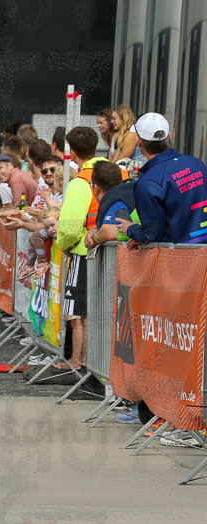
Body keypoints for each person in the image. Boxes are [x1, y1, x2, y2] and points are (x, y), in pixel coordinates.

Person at [55, 126, 111, 372]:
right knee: (96, 312)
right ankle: (91, 362)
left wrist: (64, 245)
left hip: (83, 251)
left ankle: (78, 361)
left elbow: (68, 226)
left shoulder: (80, 182)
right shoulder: (117, 170)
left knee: (77, 314)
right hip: (111, 249)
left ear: (73, 153)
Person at [116, 112, 207, 245]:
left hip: (180, 259)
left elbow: (153, 234)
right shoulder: (197, 164)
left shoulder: (148, 182)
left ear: (139, 142)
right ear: (168, 137)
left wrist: (131, 229)